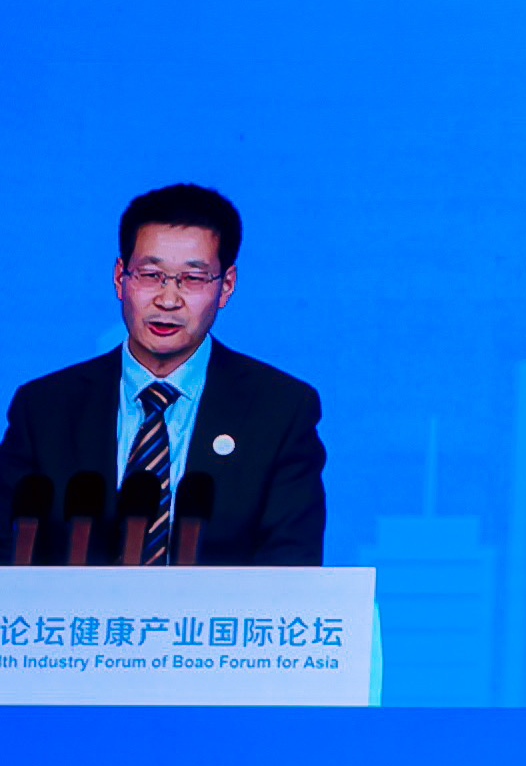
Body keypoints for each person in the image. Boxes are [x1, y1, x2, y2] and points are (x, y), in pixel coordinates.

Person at [0, 184, 326, 565]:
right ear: (120, 277)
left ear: (226, 286)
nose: (168, 300)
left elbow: (292, 566)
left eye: (193, 278)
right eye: (151, 274)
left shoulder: (280, 411)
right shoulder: (44, 408)